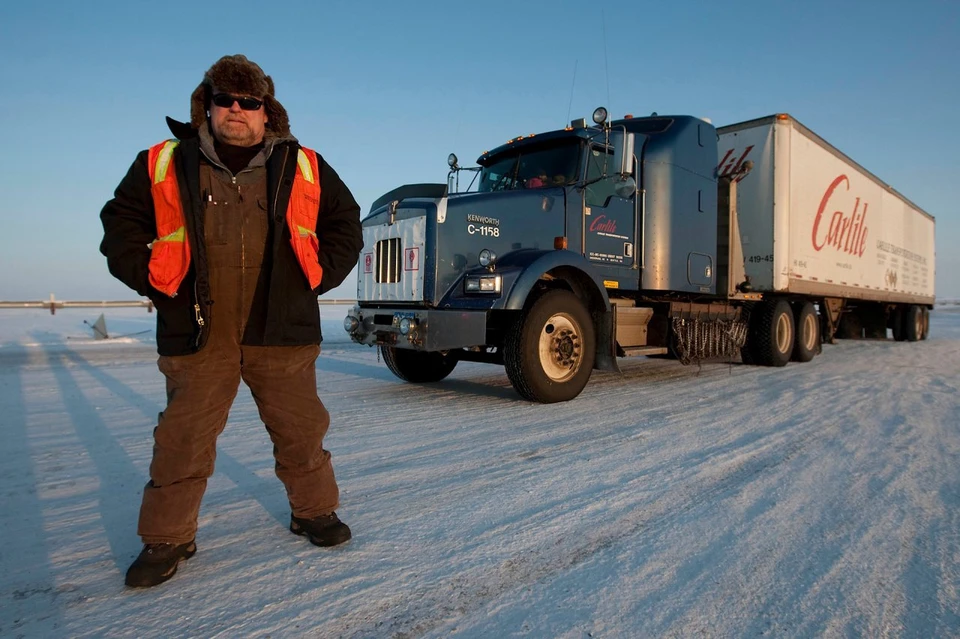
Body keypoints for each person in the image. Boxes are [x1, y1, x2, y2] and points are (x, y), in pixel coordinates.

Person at [100, 55, 363, 588]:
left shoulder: (304, 164)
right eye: (226, 99)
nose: (237, 110)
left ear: (268, 112)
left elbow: (345, 223)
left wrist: (316, 278)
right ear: (208, 105)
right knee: (183, 434)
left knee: (301, 428)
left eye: (250, 102)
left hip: (281, 324)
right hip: (199, 324)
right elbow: (120, 222)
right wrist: (154, 280)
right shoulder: (165, 162)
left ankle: (313, 510)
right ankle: (168, 536)